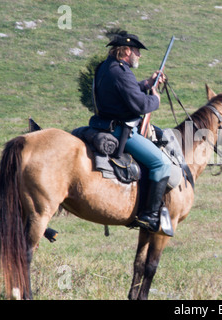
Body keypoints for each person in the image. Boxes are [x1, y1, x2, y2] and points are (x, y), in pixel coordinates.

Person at [91, 32, 171, 234]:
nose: (139, 55)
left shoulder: (106, 67)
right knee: (161, 163)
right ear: (126, 50)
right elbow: (139, 104)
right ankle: (149, 216)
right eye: (136, 51)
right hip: (120, 131)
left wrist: (146, 83)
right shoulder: (122, 71)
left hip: (102, 124)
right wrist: (155, 101)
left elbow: (125, 91)